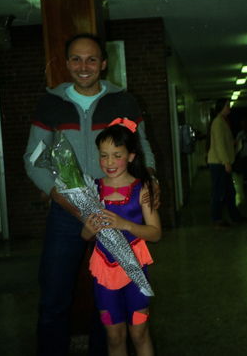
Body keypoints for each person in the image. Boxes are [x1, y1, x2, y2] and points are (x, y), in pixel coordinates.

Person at [23, 33, 158, 355]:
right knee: (54, 295)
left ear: (104, 63)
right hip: (66, 214)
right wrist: (58, 195)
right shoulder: (51, 104)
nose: (84, 67)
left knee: (109, 292)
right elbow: (33, 158)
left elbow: (143, 148)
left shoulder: (122, 102)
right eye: (76, 59)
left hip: (116, 212)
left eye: (92, 59)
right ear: (66, 63)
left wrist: (151, 181)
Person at [81, 120, 161, 356]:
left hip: (136, 269)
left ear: (131, 156)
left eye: (117, 155)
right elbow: (85, 236)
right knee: (114, 337)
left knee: (139, 333)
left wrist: (125, 224)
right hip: (104, 271)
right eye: (104, 156)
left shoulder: (142, 188)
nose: (109, 162)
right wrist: (89, 229)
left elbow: (155, 233)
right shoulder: (92, 190)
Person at [207, 98, 247, 227]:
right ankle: (217, 219)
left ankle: (235, 217)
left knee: (229, 192)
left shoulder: (223, 121)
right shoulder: (218, 123)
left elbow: (223, 142)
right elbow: (219, 145)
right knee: (219, 192)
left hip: (221, 162)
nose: (229, 108)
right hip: (218, 163)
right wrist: (226, 162)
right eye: (227, 106)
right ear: (221, 107)